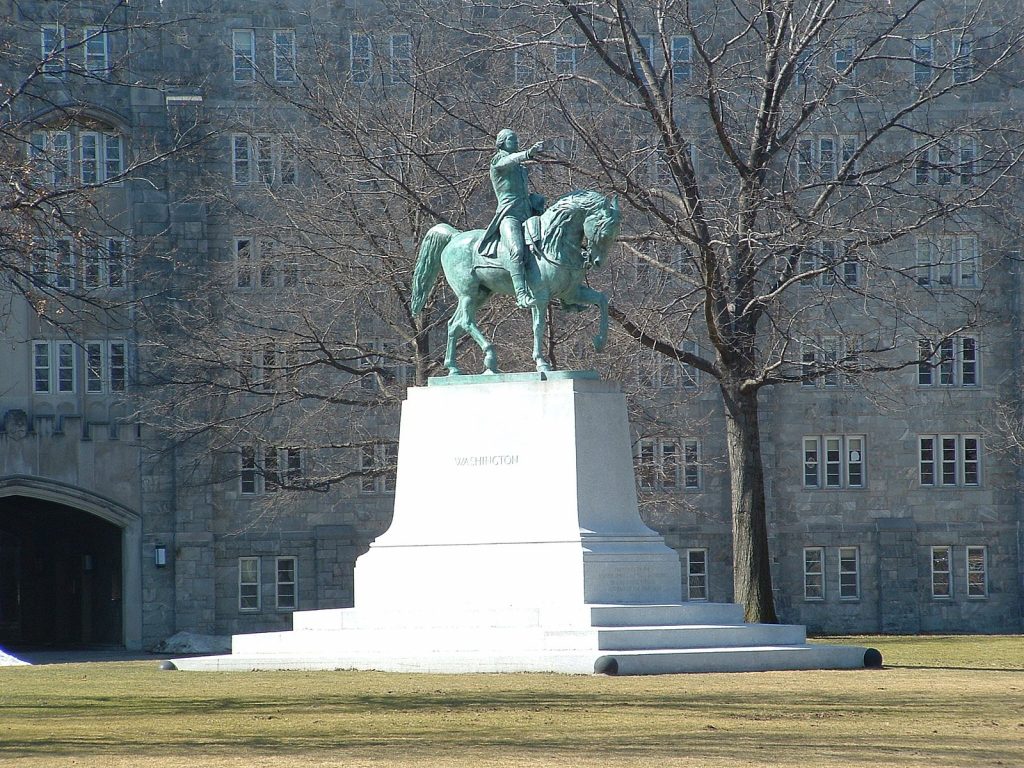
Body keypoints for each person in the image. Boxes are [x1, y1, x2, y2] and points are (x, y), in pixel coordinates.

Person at [477, 129, 545, 308]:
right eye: (511, 140)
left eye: (516, 139)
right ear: (501, 142)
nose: (515, 143)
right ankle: (521, 295)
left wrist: (534, 201)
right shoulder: (498, 161)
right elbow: (509, 160)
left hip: (528, 213)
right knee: (516, 250)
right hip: (509, 216)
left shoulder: (520, 168)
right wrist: (528, 153)